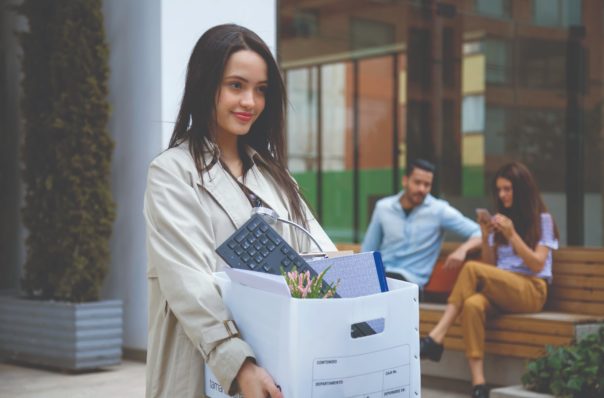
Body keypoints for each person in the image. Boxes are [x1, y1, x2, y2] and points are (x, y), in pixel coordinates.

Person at [143, 24, 336, 398]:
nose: (250, 101)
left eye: (260, 90)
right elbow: (189, 284)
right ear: (205, 84)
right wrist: (240, 364)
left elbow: (319, 261)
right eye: (236, 85)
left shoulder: (277, 178)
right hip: (204, 370)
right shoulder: (171, 172)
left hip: (283, 368)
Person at [419, 162, 559, 398]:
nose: (502, 195)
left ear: (522, 190)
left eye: (508, 189)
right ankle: (479, 385)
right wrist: (486, 236)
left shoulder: (542, 220)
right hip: (503, 289)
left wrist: (511, 234)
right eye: (499, 190)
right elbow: (491, 267)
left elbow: (537, 264)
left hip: (531, 291)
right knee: (472, 305)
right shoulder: (501, 220)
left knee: (472, 268)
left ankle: (437, 336)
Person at [361, 159, 482, 289]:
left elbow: (479, 233)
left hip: (411, 282)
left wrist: (462, 250)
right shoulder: (383, 207)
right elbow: (367, 250)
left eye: (427, 185)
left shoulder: (439, 211)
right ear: (405, 180)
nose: (422, 189)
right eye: (417, 182)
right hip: (382, 276)